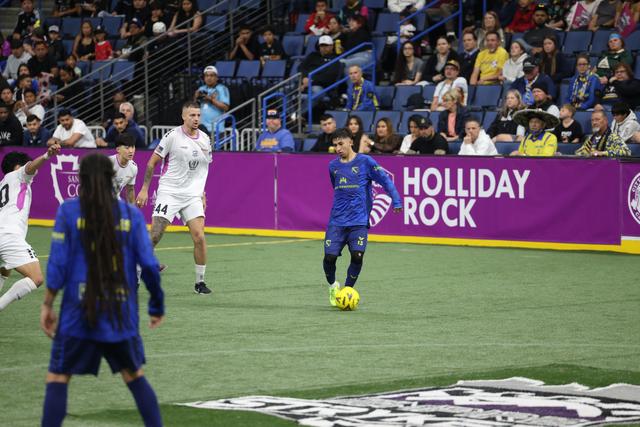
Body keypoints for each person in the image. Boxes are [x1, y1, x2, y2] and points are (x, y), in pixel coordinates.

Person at [40, 153, 164, 427]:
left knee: (58, 377)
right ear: (112, 178)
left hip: (78, 312)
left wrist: (48, 303)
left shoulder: (69, 211)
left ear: (81, 179)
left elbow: (58, 264)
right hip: (120, 311)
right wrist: (156, 305)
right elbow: (149, 265)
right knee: (134, 376)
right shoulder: (130, 214)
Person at [135, 101, 213, 293]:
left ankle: (200, 282)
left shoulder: (205, 139)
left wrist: (202, 194)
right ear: (183, 116)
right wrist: (144, 189)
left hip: (192, 195)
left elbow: (203, 169)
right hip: (169, 192)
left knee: (199, 237)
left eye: (198, 115)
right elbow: (152, 162)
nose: (196, 119)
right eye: (192, 115)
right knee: (155, 235)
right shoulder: (172, 136)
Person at [323, 128, 401, 306]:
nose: (337, 148)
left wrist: (396, 200)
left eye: (341, 144)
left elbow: (385, 180)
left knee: (357, 256)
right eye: (335, 145)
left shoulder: (365, 161)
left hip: (359, 221)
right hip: (337, 221)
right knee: (329, 258)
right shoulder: (333, 166)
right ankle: (333, 286)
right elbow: (336, 188)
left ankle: (347, 291)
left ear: (351, 141)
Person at [0, 144, 61, 311]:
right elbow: (30, 167)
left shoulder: (3, 184)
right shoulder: (19, 175)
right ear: (17, 166)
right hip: (9, 236)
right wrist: (47, 155)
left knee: (5, 269)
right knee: (37, 278)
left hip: (4, 235)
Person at [299, 35, 341, 113]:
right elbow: (301, 68)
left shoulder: (335, 59)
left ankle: (298, 114)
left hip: (321, 86)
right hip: (304, 82)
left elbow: (329, 77)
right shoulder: (313, 55)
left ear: (332, 46)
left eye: (326, 45)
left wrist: (311, 81)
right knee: (283, 89)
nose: (324, 48)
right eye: (322, 45)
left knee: (317, 92)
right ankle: (289, 114)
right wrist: (304, 78)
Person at [194, 65, 230, 136]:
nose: (209, 78)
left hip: (216, 129)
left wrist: (211, 100)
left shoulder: (222, 89)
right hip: (201, 128)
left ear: (216, 77)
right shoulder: (201, 89)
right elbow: (195, 107)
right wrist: (195, 98)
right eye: (206, 76)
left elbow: (226, 107)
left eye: (211, 75)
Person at [110, 134, 138, 203]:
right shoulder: (108, 163)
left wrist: (132, 208)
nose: (131, 151)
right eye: (127, 148)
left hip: (115, 201)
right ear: (118, 149)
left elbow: (130, 189)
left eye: (132, 147)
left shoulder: (133, 167)